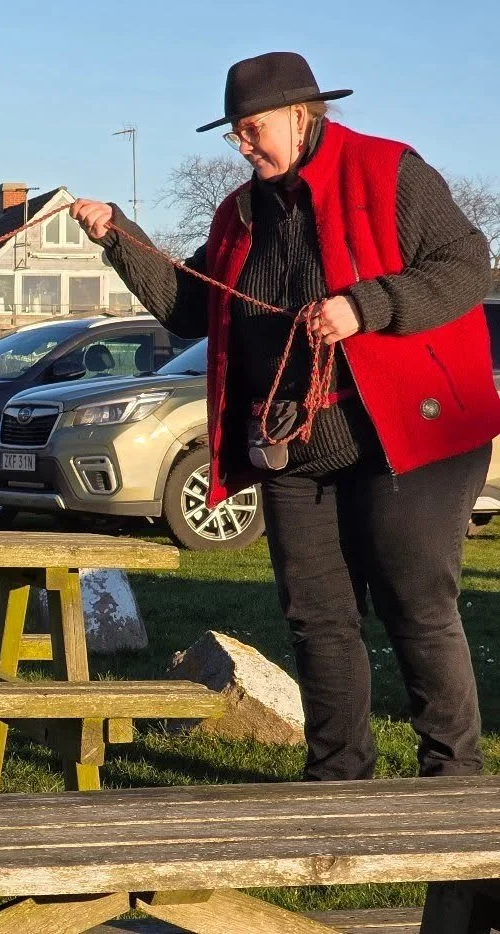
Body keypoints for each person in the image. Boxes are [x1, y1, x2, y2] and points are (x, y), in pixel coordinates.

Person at [70, 51, 499, 781]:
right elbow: (189, 305)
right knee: (316, 615)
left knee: (414, 597)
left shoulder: (390, 170)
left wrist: (366, 307)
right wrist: (120, 236)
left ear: (302, 117)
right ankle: (337, 779)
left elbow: (467, 262)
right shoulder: (240, 214)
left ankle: (452, 777)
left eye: (252, 128)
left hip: (408, 431)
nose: (243, 145)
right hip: (296, 442)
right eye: (234, 133)